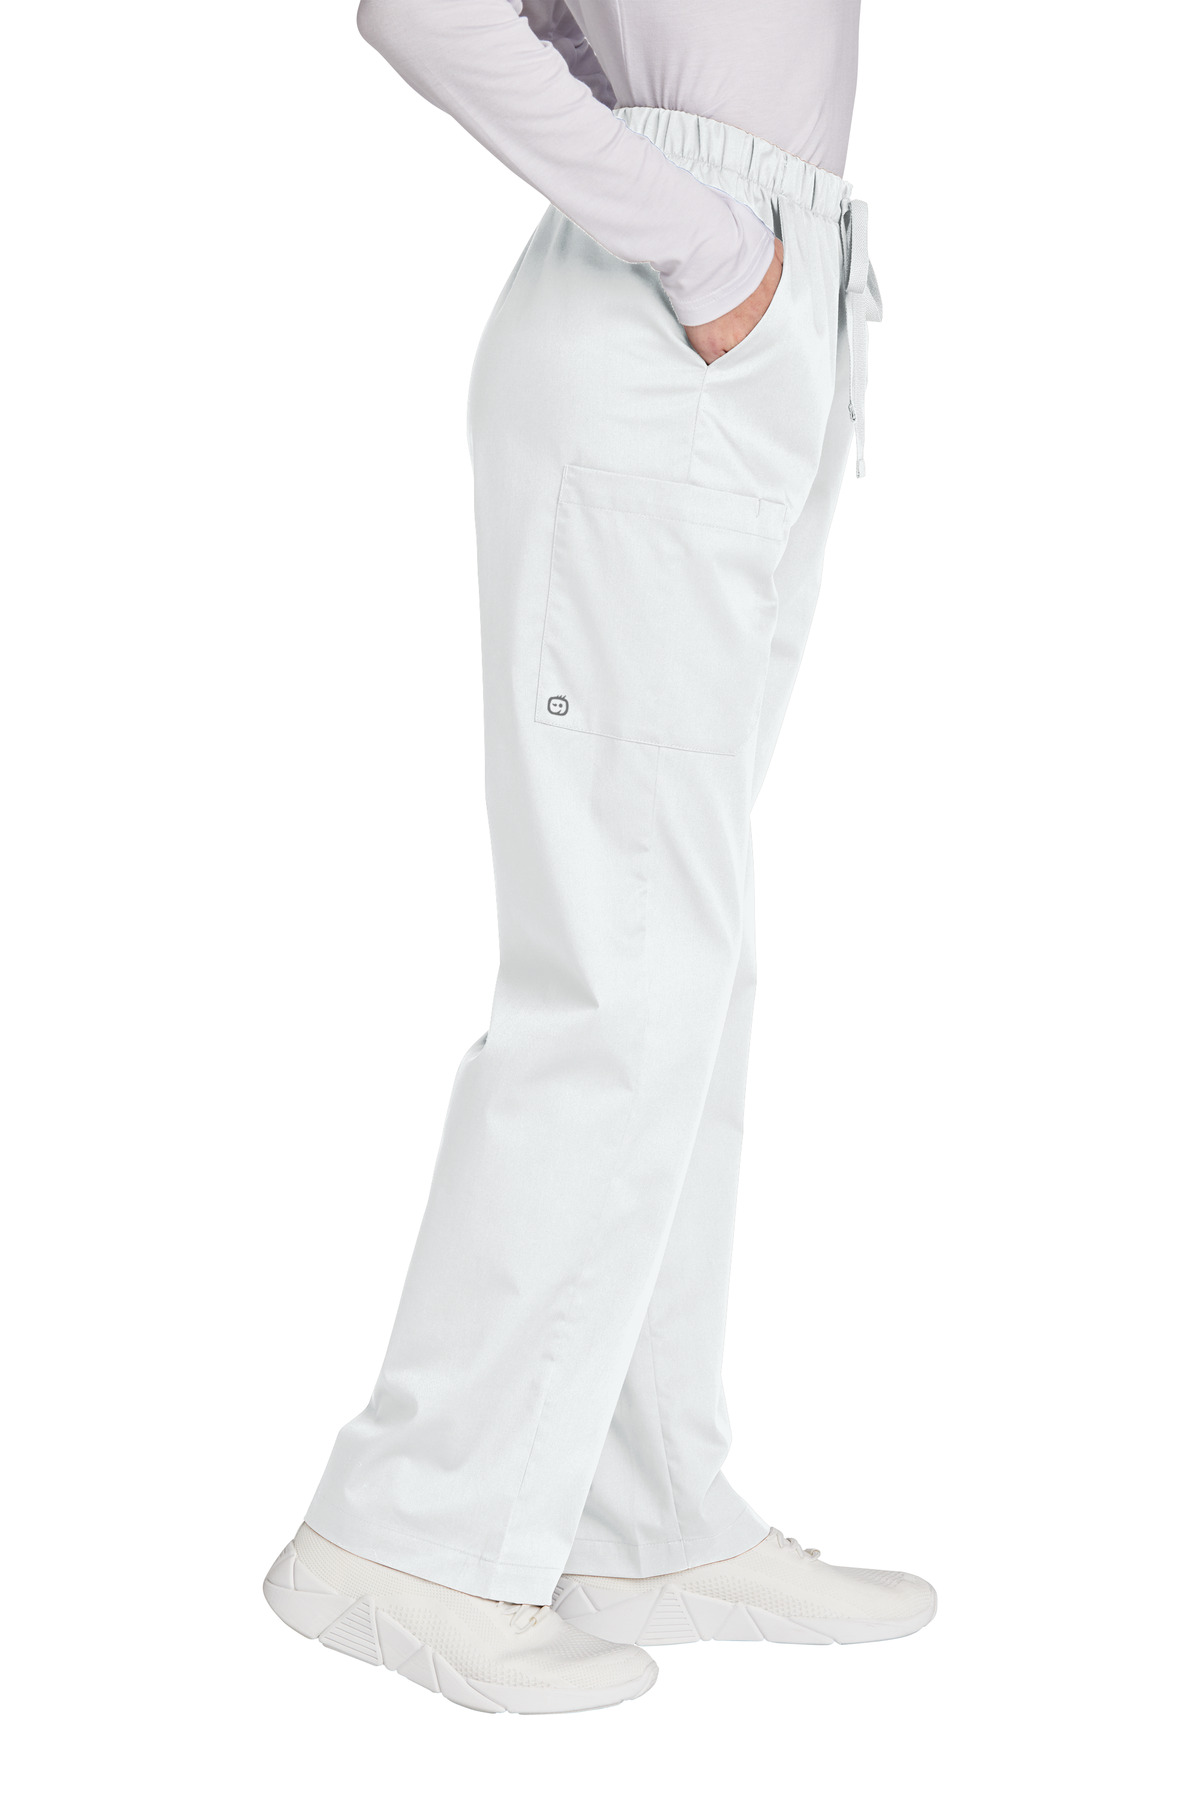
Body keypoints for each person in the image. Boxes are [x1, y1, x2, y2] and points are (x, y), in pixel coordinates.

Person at [263, 0, 934, 1714]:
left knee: (684, 963)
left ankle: (638, 1510)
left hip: (755, 305)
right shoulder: (697, 251)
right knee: (625, 963)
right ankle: (408, 1533)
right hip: (682, 312)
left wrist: (738, 242)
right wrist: (703, 235)